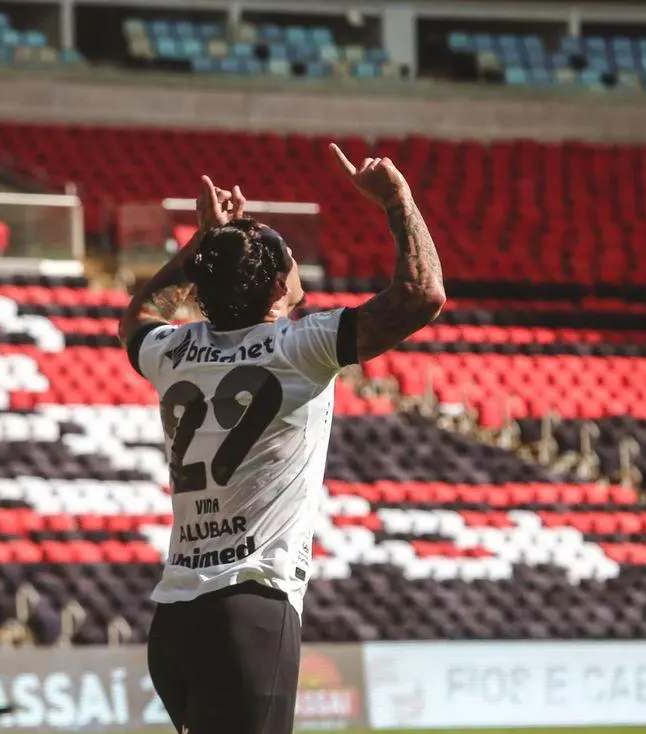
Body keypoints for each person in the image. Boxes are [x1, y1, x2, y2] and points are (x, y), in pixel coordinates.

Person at [116, 145, 445, 734]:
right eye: (288, 258)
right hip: (248, 612)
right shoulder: (301, 347)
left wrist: (202, 244)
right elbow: (421, 294)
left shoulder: (172, 352)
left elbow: (138, 315)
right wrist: (399, 201)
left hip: (175, 620)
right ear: (274, 287)